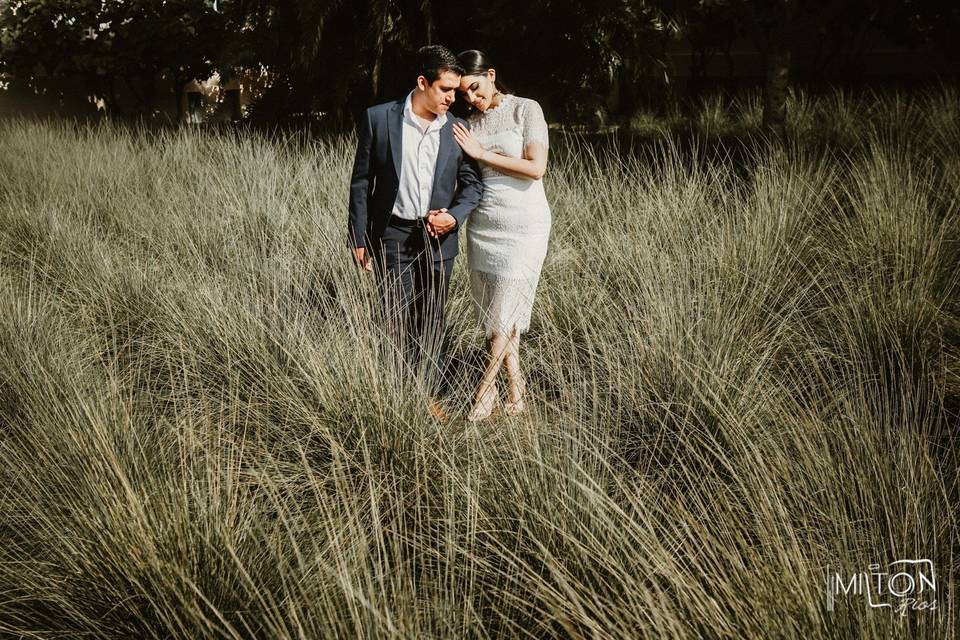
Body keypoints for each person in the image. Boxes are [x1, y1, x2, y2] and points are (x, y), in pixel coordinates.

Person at [348, 45, 484, 421]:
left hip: (439, 239)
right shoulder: (380, 119)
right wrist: (358, 238)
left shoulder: (458, 128)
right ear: (422, 82)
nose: (451, 98)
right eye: (445, 90)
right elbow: (361, 183)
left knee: (432, 317)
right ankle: (396, 399)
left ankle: (429, 396)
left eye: (455, 91)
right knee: (393, 316)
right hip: (391, 233)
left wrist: (454, 217)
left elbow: (472, 186)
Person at [451, 49, 551, 421]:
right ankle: (517, 392)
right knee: (497, 313)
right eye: (464, 95)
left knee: (505, 307)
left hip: (524, 223)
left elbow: (536, 167)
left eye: (475, 88)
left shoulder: (526, 109)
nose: (471, 99)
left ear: (491, 74)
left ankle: (484, 391)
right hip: (484, 224)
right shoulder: (469, 124)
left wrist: (481, 153)